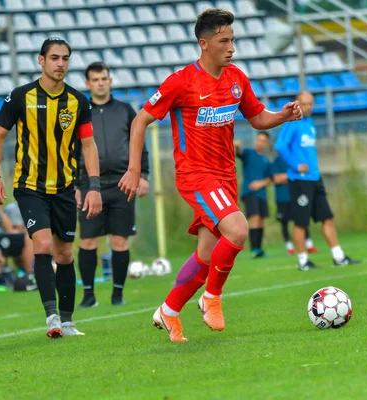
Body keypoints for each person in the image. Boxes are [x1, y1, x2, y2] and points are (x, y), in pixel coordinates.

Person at [118, 8, 302, 342]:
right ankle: (211, 298)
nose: (231, 47)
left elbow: (258, 118)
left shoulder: (236, 79)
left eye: (233, 39)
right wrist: (133, 169)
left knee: (206, 255)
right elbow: (140, 120)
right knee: (238, 228)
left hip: (225, 177)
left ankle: (169, 311)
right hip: (196, 175)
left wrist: (283, 116)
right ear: (204, 44)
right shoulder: (181, 82)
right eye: (223, 41)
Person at [0, 37, 102, 339]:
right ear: (41, 61)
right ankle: (51, 316)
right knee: (42, 245)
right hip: (30, 187)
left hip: (64, 188)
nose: (60, 63)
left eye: (65, 58)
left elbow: (88, 144)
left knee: (64, 254)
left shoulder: (78, 101)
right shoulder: (20, 96)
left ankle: (67, 320)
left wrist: (94, 187)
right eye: (54, 58)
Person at [76, 62, 151, 308]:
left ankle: (117, 294)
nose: (100, 83)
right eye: (95, 79)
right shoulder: (78, 111)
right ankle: (88, 295)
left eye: (104, 78)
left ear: (110, 81)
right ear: (87, 84)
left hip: (122, 183)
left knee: (120, 241)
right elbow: (71, 150)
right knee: (88, 241)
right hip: (90, 186)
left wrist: (143, 175)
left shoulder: (125, 110)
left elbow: (139, 143)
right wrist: (76, 185)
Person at [274, 92, 360, 271]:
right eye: (305, 104)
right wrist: (295, 165)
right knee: (301, 222)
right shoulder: (293, 122)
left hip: (315, 178)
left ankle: (339, 257)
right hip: (300, 180)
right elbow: (280, 146)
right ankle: (303, 261)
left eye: (310, 104)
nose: (308, 107)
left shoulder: (310, 123)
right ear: (298, 105)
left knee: (327, 218)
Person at [234, 131, 272, 258]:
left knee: (261, 221)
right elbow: (239, 152)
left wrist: (260, 183)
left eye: (262, 140)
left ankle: (260, 249)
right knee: (254, 219)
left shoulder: (266, 160)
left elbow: (269, 179)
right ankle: (254, 249)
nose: (259, 142)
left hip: (262, 194)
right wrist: (237, 146)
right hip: (250, 193)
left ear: (266, 143)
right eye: (258, 139)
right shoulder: (249, 153)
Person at [270, 153, 317, 255]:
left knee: (302, 219)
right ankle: (289, 247)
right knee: (284, 223)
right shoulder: (277, 161)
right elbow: (277, 179)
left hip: (296, 195)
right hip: (283, 197)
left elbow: (305, 174)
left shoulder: (296, 158)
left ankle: (309, 245)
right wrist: (294, 176)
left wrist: (287, 177)